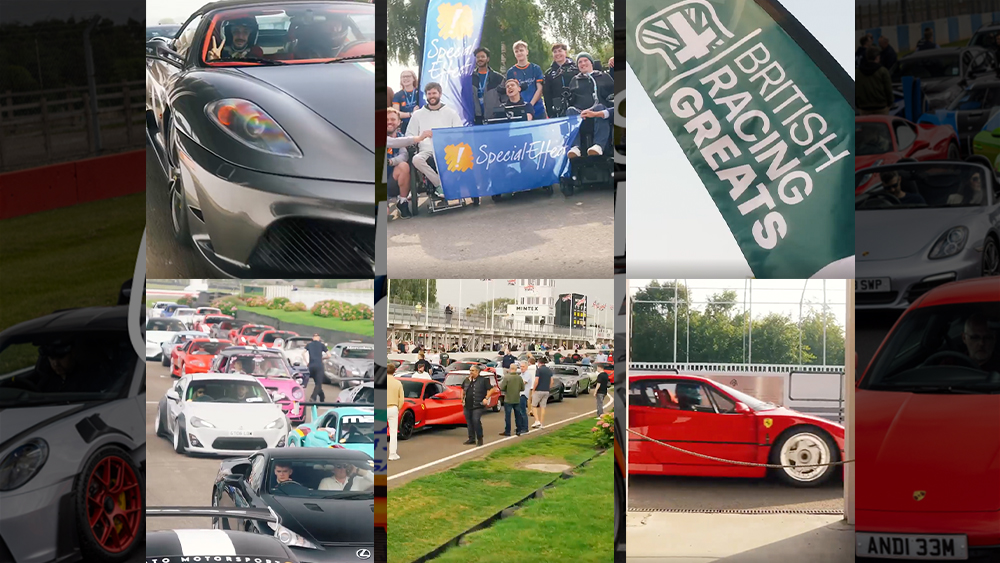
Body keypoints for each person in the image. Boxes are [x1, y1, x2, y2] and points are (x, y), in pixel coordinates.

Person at [405, 82, 465, 198]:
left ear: (440, 94)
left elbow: (459, 133)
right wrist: (421, 137)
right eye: (429, 94)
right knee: (416, 160)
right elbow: (410, 134)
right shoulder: (417, 115)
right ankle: (440, 185)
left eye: (434, 93)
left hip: (447, 148)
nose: (432, 96)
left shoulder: (450, 112)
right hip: (426, 149)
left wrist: (440, 135)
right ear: (426, 96)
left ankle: (449, 184)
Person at [566, 53, 614, 158]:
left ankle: (598, 146)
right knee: (570, 111)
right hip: (581, 113)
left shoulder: (604, 77)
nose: (583, 64)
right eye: (580, 62)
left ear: (591, 62)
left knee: (599, 107)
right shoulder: (575, 80)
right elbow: (571, 100)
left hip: (598, 111)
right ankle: (575, 147)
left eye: (585, 61)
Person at [387, 109, 433, 219]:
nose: (389, 122)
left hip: (392, 179)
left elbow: (404, 155)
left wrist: (391, 161)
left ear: (399, 122)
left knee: (404, 165)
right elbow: (392, 142)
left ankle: (402, 202)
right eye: (386, 120)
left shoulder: (400, 135)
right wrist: (418, 138)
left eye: (393, 119)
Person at [506, 41, 546, 120]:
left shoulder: (535, 68)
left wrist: (530, 105)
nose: (519, 53)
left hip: (538, 109)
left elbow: (540, 88)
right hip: (520, 110)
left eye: (521, 50)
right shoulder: (511, 72)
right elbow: (511, 91)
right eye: (516, 51)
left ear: (526, 52)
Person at [470, 47, 505, 124]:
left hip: (494, 118)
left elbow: (505, 98)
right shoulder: (470, 78)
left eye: (482, 57)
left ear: (488, 59)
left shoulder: (498, 78)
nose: (480, 59)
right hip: (476, 118)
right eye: (477, 57)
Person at [543, 43, 579, 119]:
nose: (557, 54)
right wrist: (550, 113)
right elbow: (547, 95)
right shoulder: (549, 73)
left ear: (565, 52)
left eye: (560, 51)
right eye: (555, 52)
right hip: (558, 109)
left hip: (577, 105)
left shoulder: (576, 68)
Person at [461, 365, 493, 446]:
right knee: (469, 422)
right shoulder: (467, 380)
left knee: (476, 420)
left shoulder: (483, 380)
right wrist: (462, 399)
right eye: (470, 370)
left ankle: (480, 438)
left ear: (477, 372)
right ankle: (471, 438)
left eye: (472, 370)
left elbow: (492, 389)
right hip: (467, 405)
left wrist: (486, 398)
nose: (470, 372)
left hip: (478, 405)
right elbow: (463, 390)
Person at [857, 46, 893, 116]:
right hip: (881, 107)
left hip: (864, 107)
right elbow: (888, 89)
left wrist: (858, 104)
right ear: (877, 57)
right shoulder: (882, 71)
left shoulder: (857, 73)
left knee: (866, 126)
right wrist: (890, 103)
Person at [498, 362, 525, 436]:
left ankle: (508, 431)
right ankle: (518, 430)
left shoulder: (507, 377)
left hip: (508, 399)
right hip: (517, 398)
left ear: (510, 369)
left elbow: (502, 387)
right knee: (518, 415)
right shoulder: (519, 377)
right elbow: (523, 388)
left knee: (508, 416)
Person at [531, 356, 552, 429]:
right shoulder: (549, 370)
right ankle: (542, 423)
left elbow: (536, 380)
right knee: (543, 407)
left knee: (534, 405)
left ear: (539, 363)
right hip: (546, 390)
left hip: (539, 390)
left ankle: (537, 420)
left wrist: (533, 389)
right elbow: (551, 381)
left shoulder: (539, 370)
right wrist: (548, 388)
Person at [306, 334, 329, 402]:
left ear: (313, 338)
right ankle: (313, 397)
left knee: (317, 383)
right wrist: (322, 358)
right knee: (318, 383)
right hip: (319, 366)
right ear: (319, 338)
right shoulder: (321, 345)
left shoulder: (309, 345)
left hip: (311, 366)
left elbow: (303, 353)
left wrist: (307, 361)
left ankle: (322, 396)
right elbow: (329, 355)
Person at [387, 364, 403, 461]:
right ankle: (392, 454)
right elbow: (401, 399)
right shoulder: (398, 383)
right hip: (393, 408)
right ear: (394, 371)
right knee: (393, 432)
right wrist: (398, 408)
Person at [518, 359, 534, 434]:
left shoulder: (527, 374)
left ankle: (525, 428)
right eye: (521, 366)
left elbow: (523, 383)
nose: (521, 368)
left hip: (523, 395)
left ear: (527, 367)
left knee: (523, 411)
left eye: (523, 366)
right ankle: (520, 427)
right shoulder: (521, 374)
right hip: (520, 394)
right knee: (520, 412)